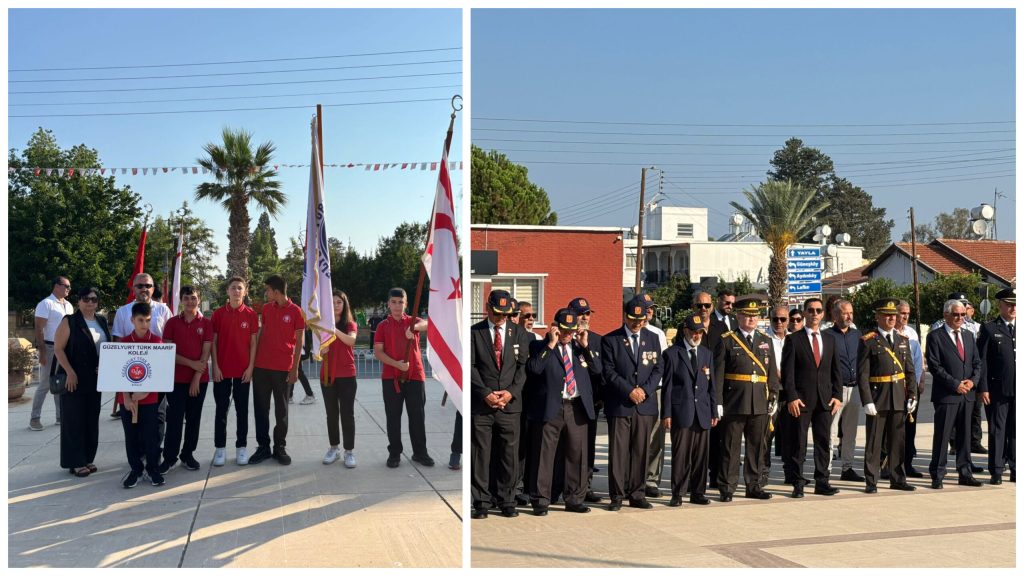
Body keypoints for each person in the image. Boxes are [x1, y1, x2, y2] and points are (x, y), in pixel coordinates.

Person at [527, 308, 599, 515]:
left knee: (577, 454)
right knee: (544, 455)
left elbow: (597, 370)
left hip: (576, 406)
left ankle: (574, 498)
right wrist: (550, 344)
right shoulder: (540, 346)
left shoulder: (580, 348)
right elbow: (534, 369)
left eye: (572, 330)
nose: (568, 334)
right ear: (555, 328)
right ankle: (541, 500)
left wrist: (585, 346)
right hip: (552, 406)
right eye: (564, 330)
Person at [714, 296, 780, 502]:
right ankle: (727, 487)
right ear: (738, 316)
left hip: (759, 402)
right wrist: (717, 402)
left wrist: (774, 395)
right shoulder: (727, 340)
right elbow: (718, 375)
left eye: (754, 316)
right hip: (734, 402)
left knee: (757, 447)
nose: (751, 320)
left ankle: (754, 485)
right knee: (731, 447)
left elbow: (771, 373)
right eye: (746, 315)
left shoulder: (765, 340)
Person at [601, 295, 663, 510]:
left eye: (641, 320)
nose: (637, 323)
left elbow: (658, 369)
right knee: (618, 452)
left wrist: (644, 391)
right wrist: (629, 391)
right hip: (621, 404)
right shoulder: (611, 340)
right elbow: (608, 371)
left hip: (644, 405)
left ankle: (637, 493)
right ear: (625, 317)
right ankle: (617, 496)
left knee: (641, 450)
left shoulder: (652, 338)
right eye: (633, 319)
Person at [470, 290, 525, 519]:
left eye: (506, 314)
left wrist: (510, 393)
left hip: (510, 406)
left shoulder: (518, 333)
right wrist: (485, 393)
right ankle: (481, 501)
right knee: (481, 454)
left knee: (508, 455)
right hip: (483, 405)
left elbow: (522, 368)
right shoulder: (475, 333)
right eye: (497, 313)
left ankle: (507, 500)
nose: (502, 317)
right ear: (488, 308)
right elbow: (471, 366)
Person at [782, 298, 843, 498]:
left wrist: (837, 395)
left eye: (818, 310)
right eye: (810, 310)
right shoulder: (794, 339)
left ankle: (822, 482)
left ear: (823, 314)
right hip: (802, 400)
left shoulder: (830, 339)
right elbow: (787, 372)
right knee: (798, 443)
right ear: (805, 313)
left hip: (825, 400)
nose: (814, 314)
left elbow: (836, 371)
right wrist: (791, 397)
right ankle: (798, 483)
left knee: (823, 442)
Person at [858, 298, 917, 494]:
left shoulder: (902, 340)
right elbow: (863, 374)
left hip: (899, 397)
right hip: (878, 397)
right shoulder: (868, 341)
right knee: (874, 442)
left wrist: (913, 395)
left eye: (893, 315)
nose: (891, 318)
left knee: (897, 442)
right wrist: (867, 400)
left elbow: (910, 371)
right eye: (886, 315)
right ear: (878, 317)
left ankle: (898, 478)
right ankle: (871, 480)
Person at [926, 299, 983, 489]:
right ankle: (938, 473)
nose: (960, 318)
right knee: (942, 436)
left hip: (967, 394)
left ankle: (965, 472)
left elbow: (977, 363)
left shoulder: (968, 336)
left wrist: (972, 381)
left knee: (965, 436)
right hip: (947, 395)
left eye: (962, 314)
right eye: (956, 314)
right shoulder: (935, 336)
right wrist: (955, 384)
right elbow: (935, 366)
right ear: (946, 315)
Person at [52, 286, 109, 477]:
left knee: (91, 419)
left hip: (96, 379)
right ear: (79, 301)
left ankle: (87, 458)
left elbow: (106, 349)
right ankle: (75, 462)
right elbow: (59, 349)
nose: (90, 302)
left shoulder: (101, 320)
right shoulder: (70, 321)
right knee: (73, 421)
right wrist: (69, 372)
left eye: (94, 299)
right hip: (74, 379)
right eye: (86, 299)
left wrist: (105, 366)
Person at [661, 314, 717, 506]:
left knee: (701, 456)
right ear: (685, 331)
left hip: (702, 412)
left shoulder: (706, 354)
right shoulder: (671, 354)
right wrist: (666, 413)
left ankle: (698, 492)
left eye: (700, 331)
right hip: (681, 411)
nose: (697, 335)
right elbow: (667, 387)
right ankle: (677, 493)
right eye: (694, 331)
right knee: (681, 455)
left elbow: (712, 386)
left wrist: (714, 411)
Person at [374, 287, 432, 468]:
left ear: (406, 304)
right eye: (394, 302)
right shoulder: (383, 326)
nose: (397, 306)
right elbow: (378, 352)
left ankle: (420, 453)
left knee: (417, 417)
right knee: (393, 418)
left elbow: (428, 324)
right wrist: (397, 364)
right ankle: (394, 453)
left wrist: (413, 327)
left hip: (415, 376)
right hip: (391, 377)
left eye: (401, 302)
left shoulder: (413, 322)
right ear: (388, 304)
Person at [249, 275, 304, 466]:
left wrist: (294, 369)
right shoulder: (266, 308)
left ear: (277, 292)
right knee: (261, 410)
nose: (266, 294)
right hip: (261, 368)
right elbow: (262, 331)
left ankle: (279, 447)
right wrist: (253, 360)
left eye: (268, 290)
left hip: (283, 369)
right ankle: (263, 447)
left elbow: (299, 344)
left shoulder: (296, 312)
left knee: (282, 412)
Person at [159, 286, 212, 473]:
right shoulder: (172, 323)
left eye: (194, 298)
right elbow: (168, 351)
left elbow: (206, 353)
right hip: (176, 380)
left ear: (199, 299)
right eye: (187, 298)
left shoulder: (206, 323)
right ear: (181, 300)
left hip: (199, 380)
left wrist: (197, 377)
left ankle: (187, 454)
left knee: (193, 419)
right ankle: (169, 457)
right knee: (174, 419)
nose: (190, 301)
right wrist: (191, 364)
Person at [210, 277, 259, 466]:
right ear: (227, 292)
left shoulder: (251, 314)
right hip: (222, 371)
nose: (236, 291)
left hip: (243, 371)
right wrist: (215, 366)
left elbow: (253, 343)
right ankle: (220, 448)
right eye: (233, 288)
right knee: (221, 410)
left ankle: (241, 447)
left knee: (242, 411)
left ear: (245, 292)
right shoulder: (218, 314)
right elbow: (213, 342)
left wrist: (250, 367)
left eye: (240, 288)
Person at [110, 273, 173, 420]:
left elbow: (170, 341)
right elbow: (118, 344)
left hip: (157, 372)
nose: (144, 289)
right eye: (140, 286)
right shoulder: (122, 312)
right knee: (132, 418)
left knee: (157, 417)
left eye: (148, 286)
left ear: (153, 288)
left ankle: (155, 444)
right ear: (133, 288)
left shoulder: (163, 310)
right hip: (131, 372)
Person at [117, 302, 165, 488]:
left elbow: (160, 373)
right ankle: (136, 470)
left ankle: (153, 469)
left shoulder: (157, 342)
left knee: (151, 435)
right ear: (132, 320)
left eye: (147, 320)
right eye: (140, 320)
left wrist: (144, 392)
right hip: (127, 400)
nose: (144, 324)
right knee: (131, 435)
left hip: (150, 398)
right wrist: (128, 397)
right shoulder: (124, 343)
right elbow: (119, 374)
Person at [977, 288, 1015, 484]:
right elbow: (982, 361)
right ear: (1000, 305)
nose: (1013, 307)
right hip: (997, 389)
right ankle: (997, 470)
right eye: (1009, 304)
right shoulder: (990, 328)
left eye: (1016, 304)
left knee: (1016, 430)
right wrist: (983, 387)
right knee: (997, 429)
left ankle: (1016, 467)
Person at [568, 297, 604, 504]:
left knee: (587, 447)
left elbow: (601, 374)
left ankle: (585, 486)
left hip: (589, 404)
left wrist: (600, 399)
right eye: (580, 313)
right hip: (567, 402)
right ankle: (563, 485)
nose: (584, 317)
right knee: (567, 447)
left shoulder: (598, 340)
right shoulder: (563, 338)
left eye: (587, 313)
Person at [320, 291, 360, 468]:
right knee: (331, 414)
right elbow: (316, 350)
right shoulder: (321, 326)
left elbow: (351, 341)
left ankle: (349, 451)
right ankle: (333, 448)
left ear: (344, 305)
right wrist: (321, 351)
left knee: (347, 414)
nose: (336, 305)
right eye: (333, 302)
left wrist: (333, 330)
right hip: (328, 375)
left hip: (347, 375)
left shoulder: (349, 324)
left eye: (339, 302)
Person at [827, 298, 864, 482]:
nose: (848, 316)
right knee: (830, 431)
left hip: (855, 388)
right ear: (835, 315)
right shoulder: (827, 336)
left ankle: (847, 468)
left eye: (850, 312)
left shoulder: (857, 335)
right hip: (836, 391)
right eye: (844, 312)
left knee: (850, 432)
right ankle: (825, 468)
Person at [30, 276, 73, 431]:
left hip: (65, 348)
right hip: (49, 347)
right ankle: (34, 418)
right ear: (56, 286)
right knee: (45, 384)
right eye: (66, 286)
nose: (68, 289)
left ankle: (60, 416)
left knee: (61, 381)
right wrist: (41, 352)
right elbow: (39, 329)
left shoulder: (68, 305)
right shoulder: (46, 304)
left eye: (69, 286)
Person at [705, 289, 735, 489]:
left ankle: (718, 475)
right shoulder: (711, 323)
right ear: (718, 302)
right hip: (711, 380)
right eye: (726, 303)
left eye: (732, 303)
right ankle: (710, 474)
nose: (729, 306)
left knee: (724, 436)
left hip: (729, 386)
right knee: (712, 436)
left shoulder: (732, 323)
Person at [641, 295, 670, 499]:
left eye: (652, 307)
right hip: (634, 390)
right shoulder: (626, 332)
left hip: (655, 390)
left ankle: (651, 479)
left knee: (655, 438)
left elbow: (662, 365)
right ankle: (631, 478)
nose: (650, 310)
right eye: (646, 307)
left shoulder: (658, 333)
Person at [894, 300, 926, 478]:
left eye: (907, 313)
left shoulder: (912, 333)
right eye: (902, 313)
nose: (905, 316)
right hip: (894, 387)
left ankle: (908, 464)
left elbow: (918, 360)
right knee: (893, 428)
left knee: (909, 427)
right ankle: (889, 465)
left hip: (911, 387)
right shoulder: (889, 332)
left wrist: (920, 382)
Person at [766, 305, 791, 486]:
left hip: (790, 394)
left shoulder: (795, 339)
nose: (779, 323)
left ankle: (791, 474)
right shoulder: (763, 339)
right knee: (766, 436)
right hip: (770, 394)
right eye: (776, 319)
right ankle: (762, 475)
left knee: (791, 436)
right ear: (770, 319)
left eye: (783, 319)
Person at [288, 329, 316, 405]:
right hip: (297, 348)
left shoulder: (299, 318)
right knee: (294, 370)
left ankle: (310, 394)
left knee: (298, 371)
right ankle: (289, 396)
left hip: (298, 348)